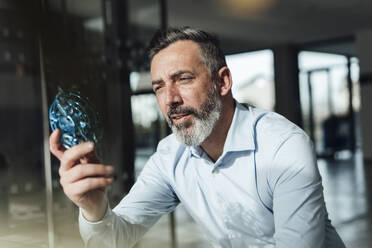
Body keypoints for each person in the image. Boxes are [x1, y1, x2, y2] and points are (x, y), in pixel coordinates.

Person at [49, 27, 345, 247]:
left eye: (183, 79)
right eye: (158, 87)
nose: (170, 99)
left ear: (223, 81)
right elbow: (113, 239)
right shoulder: (170, 156)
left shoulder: (283, 147)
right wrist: (93, 208)